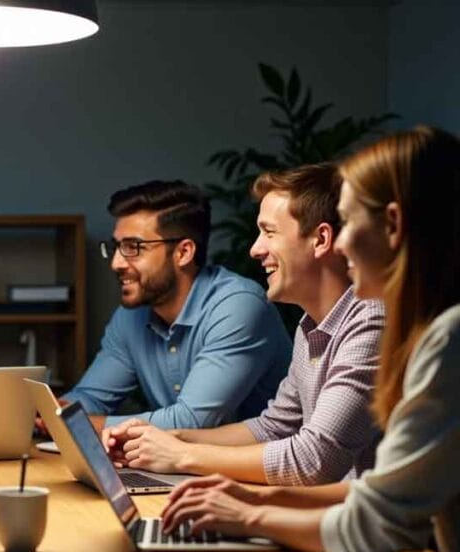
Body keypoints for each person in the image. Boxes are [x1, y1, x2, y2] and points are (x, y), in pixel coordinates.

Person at [161, 126, 460, 552]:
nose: (338, 243)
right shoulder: (426, 328)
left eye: (349, 221)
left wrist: (247, 516)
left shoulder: (445, 338)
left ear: (393, 224)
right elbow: (384, 492)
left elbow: (372, 524)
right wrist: (253, 499)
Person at [101, 164, 384, 485]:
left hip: (369, 531)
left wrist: (181, 455)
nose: (255, 249)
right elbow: (273, 427)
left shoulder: (372, 320)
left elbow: (314, 458)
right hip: (328, 516)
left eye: (269, 232)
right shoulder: (311, 327)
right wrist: (165, 437)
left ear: (320, 239)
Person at [66, 180, 291, 429]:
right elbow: (91, 398)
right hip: (180, 464)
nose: (116, 263)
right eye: (117, 247)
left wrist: (79, 425)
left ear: (183, 252)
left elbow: (192, 420)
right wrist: (49, 413)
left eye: (133, 248)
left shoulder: (239, 306)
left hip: (258, 465)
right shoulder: (131, 317)